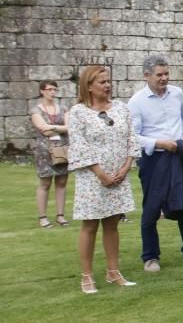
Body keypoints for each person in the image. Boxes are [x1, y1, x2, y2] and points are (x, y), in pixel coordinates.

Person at [128, 55, 183, 272]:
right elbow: (133, 136)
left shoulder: (176, 94)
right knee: (152, 207)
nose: (164, 78)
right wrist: (160, 143)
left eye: (166, 74)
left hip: (178, 155)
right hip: (154, 159)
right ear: (146, 75)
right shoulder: (137, 102)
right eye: (160, 75)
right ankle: (150, 257)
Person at [67, 65, 140, 294]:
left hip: (118, 174)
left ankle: (113, 271)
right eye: (102, 82)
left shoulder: (121, 108)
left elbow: (131, 138)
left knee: (112, 224)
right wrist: (100, 173)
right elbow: (79, 146)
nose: (107, 85)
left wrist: (126, 167)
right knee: (90, 224)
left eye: (108, 81)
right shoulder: (78, 113)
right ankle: (87, 275)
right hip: (92, 178)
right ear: (89, 86)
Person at [29, 80, 70, 228]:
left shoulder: (63, 108)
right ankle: (43, 217)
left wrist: (52, 128)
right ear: (42, 91)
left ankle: (60, 215)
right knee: (45, 183)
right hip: (44, 151)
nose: (52, 92)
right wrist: (61, 128)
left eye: (54, 89)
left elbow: (69, 127)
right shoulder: (36, 110)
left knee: (62, 182)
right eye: (49, 89)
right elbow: (41, 128)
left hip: (62, 149)